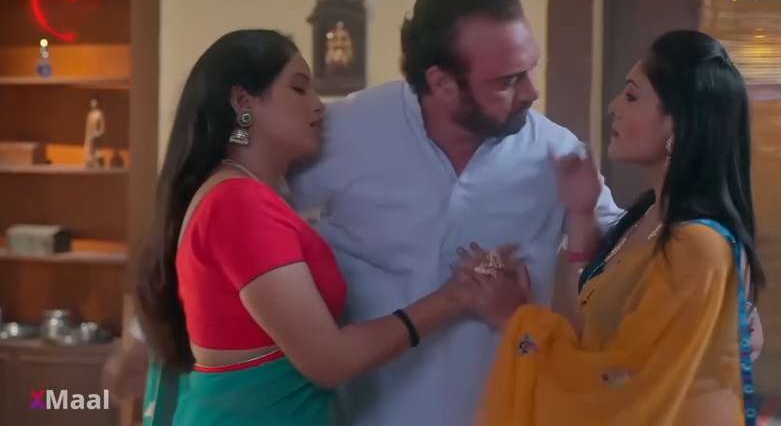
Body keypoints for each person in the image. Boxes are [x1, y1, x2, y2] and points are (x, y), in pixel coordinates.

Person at [134, 29, 528, 426]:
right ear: (243, 103)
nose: (319, 106)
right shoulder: (238, 203)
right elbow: (328, 360)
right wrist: (454, 297)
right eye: (299, 88)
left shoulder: (245, 199)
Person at [286, 0, 624, 426]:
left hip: (505, 414)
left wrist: (585, 219)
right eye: (508, 80)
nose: (531, 92)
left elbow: (621, 263)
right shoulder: (345, 132)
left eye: (530, 69)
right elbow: (258, 220)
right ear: (442, 83)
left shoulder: (556, 153)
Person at [477, 30, 766, 425]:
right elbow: (590, 333)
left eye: (631, 96)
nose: (614, 106)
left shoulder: (698, 247)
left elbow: (625, 388)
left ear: (678, 123)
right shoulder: (646, 218)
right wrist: (581, 214)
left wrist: (515, 321)